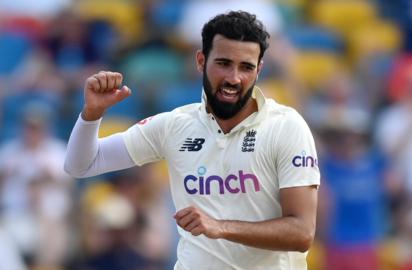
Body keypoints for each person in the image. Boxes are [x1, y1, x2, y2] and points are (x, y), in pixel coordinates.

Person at [64, 11, 320, 270]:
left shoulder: (285, 126)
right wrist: (91, 115)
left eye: (246, 67)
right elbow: (80, 165)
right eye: (223, 63)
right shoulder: (174, 126)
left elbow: (301, 233)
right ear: (200, 61)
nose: (233, 78)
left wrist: (220, 227)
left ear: (259, 70)